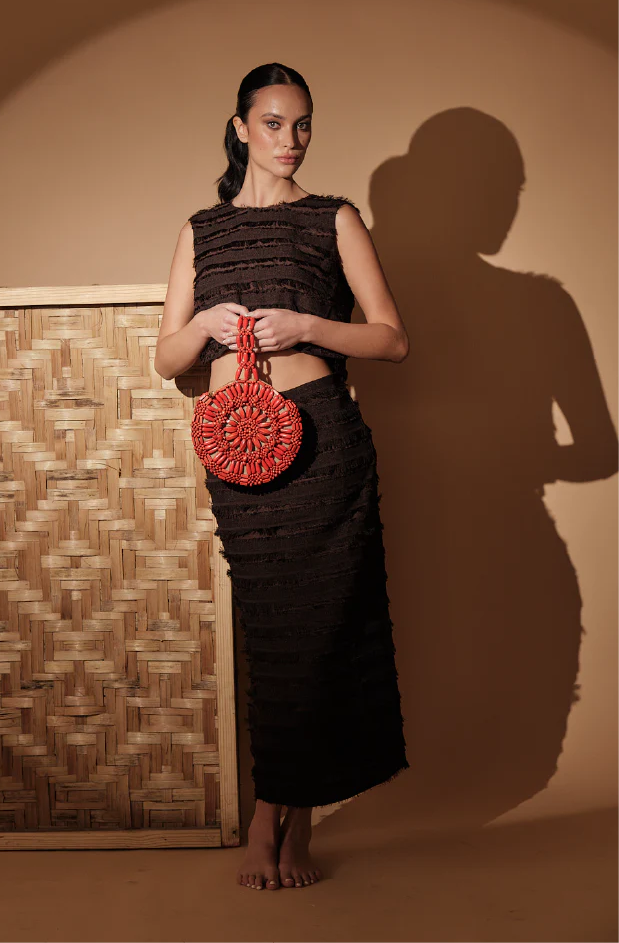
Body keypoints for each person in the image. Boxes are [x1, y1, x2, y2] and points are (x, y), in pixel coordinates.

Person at [155, 62, 410, 892]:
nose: (290, 140)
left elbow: (390, 339)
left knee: (322, 633)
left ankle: (279, 819)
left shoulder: (332, 219)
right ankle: (290, 809)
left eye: (301, 124)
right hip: (240, 458)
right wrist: (200, 325)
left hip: (322, 450)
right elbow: (167, 361)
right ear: (239, 127)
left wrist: (307, 323)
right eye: (272, 123)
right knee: (277, 639)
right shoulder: (201, 229)